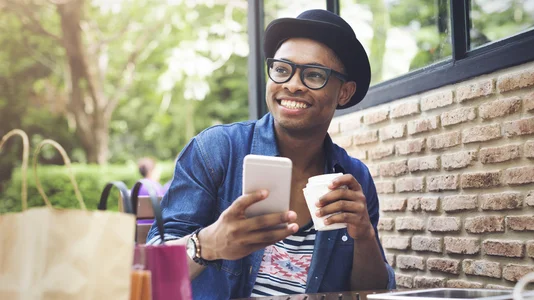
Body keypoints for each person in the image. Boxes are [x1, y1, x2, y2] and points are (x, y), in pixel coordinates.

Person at [146, 9, 395, 299]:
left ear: (344, 92)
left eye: (314, 75)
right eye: (281, 69)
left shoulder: (355, 178)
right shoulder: (217, 150)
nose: (291, 84)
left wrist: (364, 236)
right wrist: (209, 243)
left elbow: (372, 292)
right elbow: (153, 272)